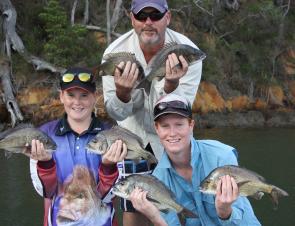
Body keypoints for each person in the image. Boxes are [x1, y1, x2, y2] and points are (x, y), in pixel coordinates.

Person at [102, 0, 203, 225]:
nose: (148, 22)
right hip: (131, 141)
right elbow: (116, 113)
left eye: (155, 15)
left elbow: (180, 111)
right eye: (142, 15)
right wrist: (122, 92)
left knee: (173, 203)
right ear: (132, 19)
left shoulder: (187, 53)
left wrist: (169, 87)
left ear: (168, 17)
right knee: (132, 207)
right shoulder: (114, 54)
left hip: (172, 138)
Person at [129, 93, 261, 226]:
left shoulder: (222, 155)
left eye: (179, 124)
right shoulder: (158, 178)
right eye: (165, 126)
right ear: (157, 129)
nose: (172, 133)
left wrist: (224, 211)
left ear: (191, 125)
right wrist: (154, 217)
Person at [29, 67, 127, 226]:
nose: (77, 102)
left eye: (84, 95)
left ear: (94, 97)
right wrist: (45, 164)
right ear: (61, 96)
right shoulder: (44, 134)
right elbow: (45, 191)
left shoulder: (111, 134)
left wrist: (108, 167)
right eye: (70, 95)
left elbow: (112, 194)